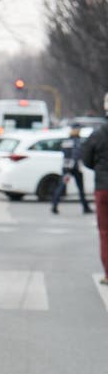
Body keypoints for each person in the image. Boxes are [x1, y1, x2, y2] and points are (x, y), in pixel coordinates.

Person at [82, 98, 108, 284]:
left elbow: (86, 159)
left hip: (103, 188)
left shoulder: (97, 135)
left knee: (105, 232)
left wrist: (100, 169)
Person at [51, 126, 92, 214]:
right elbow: (76, 154)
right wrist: (73, 164)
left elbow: (63, 151)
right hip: (74, 167)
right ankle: (85, 207)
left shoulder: (67, 141)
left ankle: (54, 205)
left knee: (61, 186)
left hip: (66, 167)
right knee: (80, 188)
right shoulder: (77, 141)